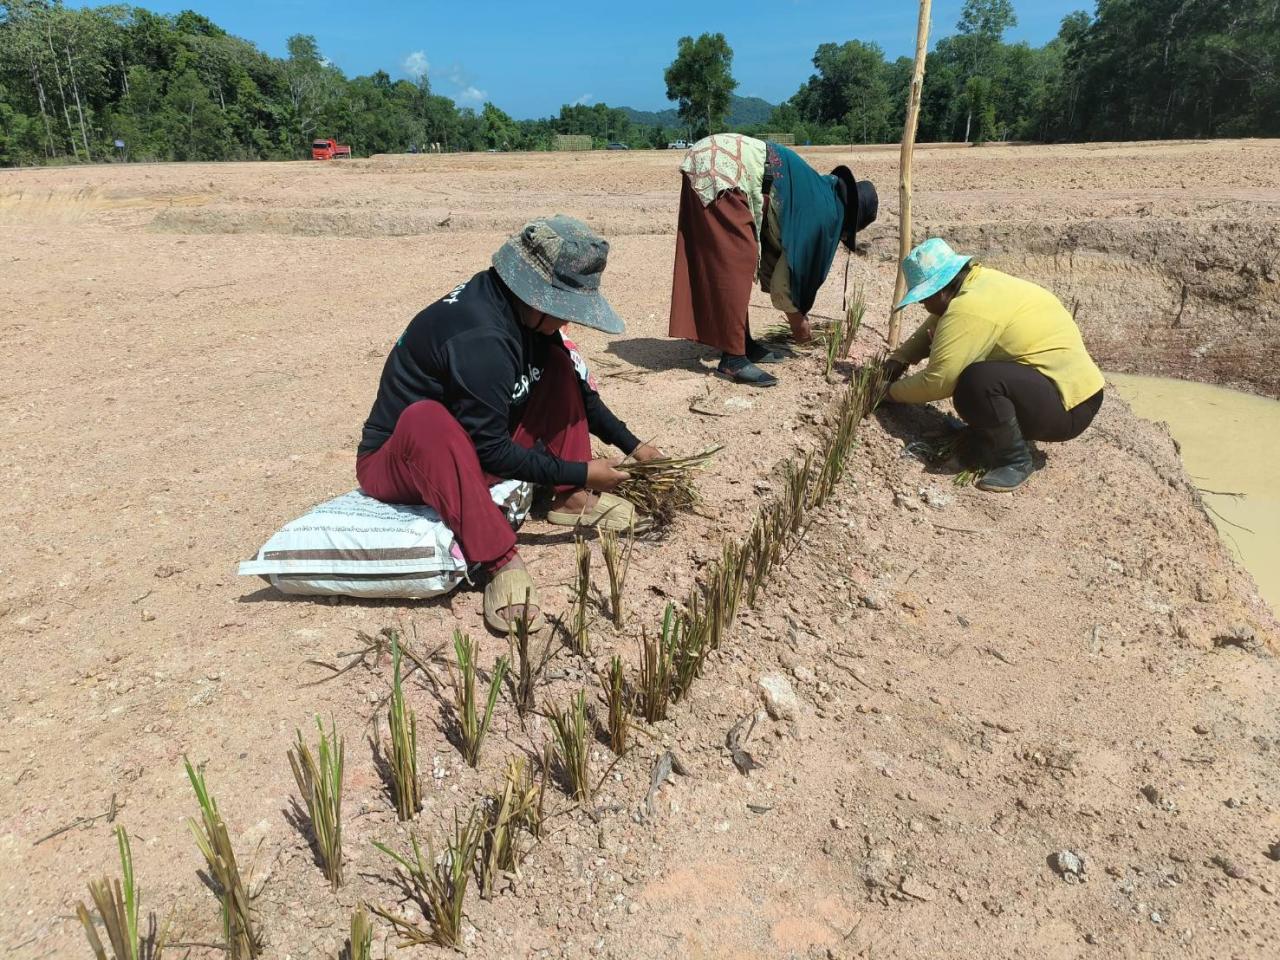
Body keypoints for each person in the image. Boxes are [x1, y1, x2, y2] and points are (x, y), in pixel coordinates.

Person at [356, 215, 663, 634]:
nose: (567, 322)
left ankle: (569, 500)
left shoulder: (521, 312)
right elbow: (490, 450)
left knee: (558, 364)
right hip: (402, 459)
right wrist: (583, 470)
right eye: (564, 310)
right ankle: (499, 560)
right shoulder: (479, 335)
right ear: (537, 298)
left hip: (468, 444)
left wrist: (634, 445)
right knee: (425, 418)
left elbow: (581, 395)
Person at [884, 238, 1105, 493]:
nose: (922, 306)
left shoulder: (969, 307)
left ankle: (1016, 460)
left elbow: (939, 382)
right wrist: (899, 359)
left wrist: (889, 392)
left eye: (923, 298)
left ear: (941, 290)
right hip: (1072, 394)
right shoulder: (980, 283)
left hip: (1069, 409)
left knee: (976, 382)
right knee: (979, 379)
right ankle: (988, 438)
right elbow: (937, 322)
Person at [669, 133, 879, 387]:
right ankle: (733, 360)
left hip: (716, 158)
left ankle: (740, 343)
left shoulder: (817, 194)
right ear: (848, 223)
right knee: (738, 260)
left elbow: (777, 245)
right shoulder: (824, 216)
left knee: (738, 260)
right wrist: (799, 323)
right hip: (722, 167)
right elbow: (787, 276)